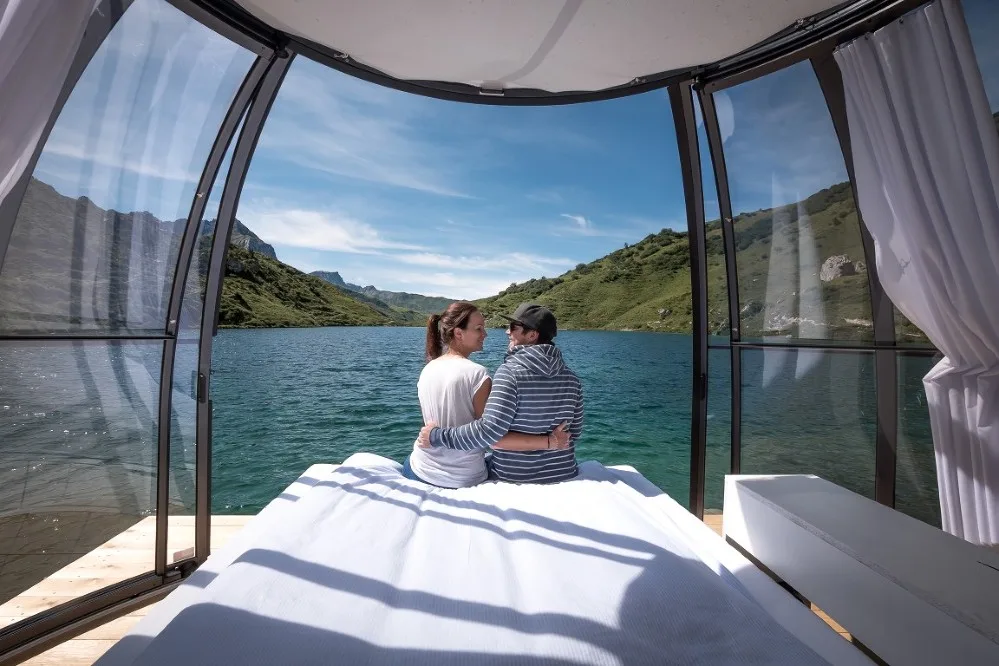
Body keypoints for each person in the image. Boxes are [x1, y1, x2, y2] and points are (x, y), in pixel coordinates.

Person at [402, 301, 568, 488]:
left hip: (417, 468)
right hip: (462, 477)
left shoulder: (428, 368)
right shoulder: (478, 374)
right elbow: (493, 437)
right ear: (458, 333)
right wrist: (549, 441)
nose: (485, 334)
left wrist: (433, 436)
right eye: (479, 329)